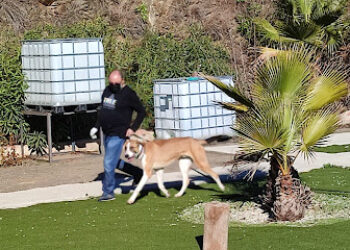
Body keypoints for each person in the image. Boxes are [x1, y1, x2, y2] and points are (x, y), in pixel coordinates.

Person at [90, 70, 146, 201]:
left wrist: (132, 128)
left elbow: (141, 112)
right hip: (107, 132)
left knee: (108, 162)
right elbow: (103, 110)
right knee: (113, 161)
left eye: (115, 83)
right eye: (111, 83)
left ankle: (108, 192)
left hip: (119, 133)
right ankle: (138, 173)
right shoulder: (107, 90)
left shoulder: (128, 94)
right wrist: (96, 126)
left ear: (122, 80)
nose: (113, 85)